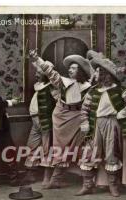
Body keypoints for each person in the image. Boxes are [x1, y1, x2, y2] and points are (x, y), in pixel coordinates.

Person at [29, 50, 93, 189]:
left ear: (81, 71)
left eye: (74, 68)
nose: (70, 70)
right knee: (60, 149)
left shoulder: (89, 87)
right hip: (60, 117)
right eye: (69, 68)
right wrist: (37, 59)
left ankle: (87, 183)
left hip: (77, 118)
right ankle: (56, 179)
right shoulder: (65, 82)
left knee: (82, 148)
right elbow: (51, 73)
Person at [77, 56, 126, 197]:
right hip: (95, 123)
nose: (97, 75)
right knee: (90, 153)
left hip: (112, 123)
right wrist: (85, 122)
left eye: (100, 72)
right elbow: (84, 109)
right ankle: (87, 185)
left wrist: (123, 111)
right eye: (97, 72)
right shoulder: (92, 91)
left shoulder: (119, 89)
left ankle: (113, 185)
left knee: (112, 153)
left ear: (107, 74)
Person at [24, 61, 55, 187]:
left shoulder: (51, 87)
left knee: (47, 149)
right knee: (31, 146)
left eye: (39, 72)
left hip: (45, 121)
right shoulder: (38, 85)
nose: (36, 74)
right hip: (35, 121)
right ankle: (30, 174)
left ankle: (47, 177)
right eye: (36, 72)